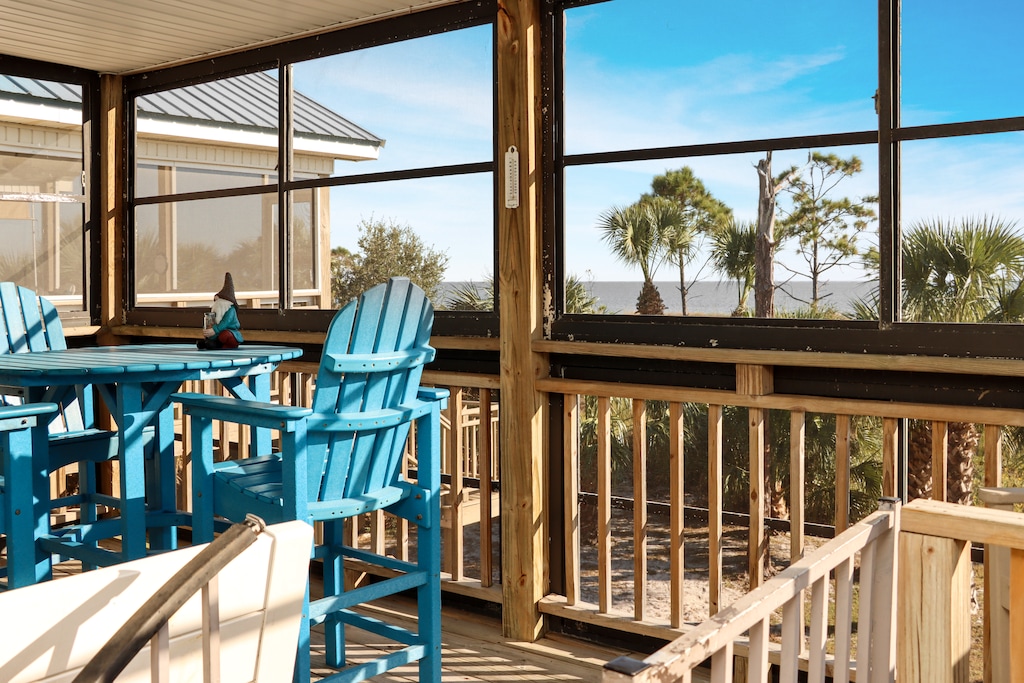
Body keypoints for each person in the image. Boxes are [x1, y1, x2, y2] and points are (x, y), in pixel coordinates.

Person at [197, 272, 244, 350]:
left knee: (225, 335)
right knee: (213, 335)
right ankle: (209, 343)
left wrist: (214, 330)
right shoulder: (217, 311)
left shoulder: (230, 309)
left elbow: (225, 322)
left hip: (230, 332)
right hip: (218, 331)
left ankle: (216, 345)